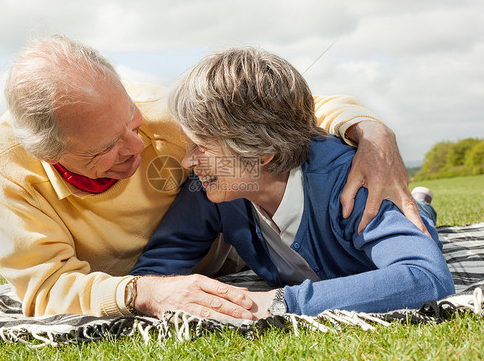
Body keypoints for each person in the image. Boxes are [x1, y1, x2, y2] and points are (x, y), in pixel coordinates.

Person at [0, 34, 427, 319]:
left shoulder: (175, 117)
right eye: (105, 149)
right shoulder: (212, 191)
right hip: (158, 271)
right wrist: (146, 292)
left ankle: (419, 206)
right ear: (50, 154)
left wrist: (373, 133)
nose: (142, 147)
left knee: (407, 217)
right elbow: (54, 286)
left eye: (133, 123)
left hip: (320, 214)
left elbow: (284, 110)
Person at [131, 47, 454, 317]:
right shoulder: (213, 188)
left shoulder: (352, 184)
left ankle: (420, 206)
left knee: (417, 222)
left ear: (261, 152)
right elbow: (160, 264)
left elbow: (425, 277)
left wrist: (276, 303)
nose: (188, 161)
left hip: (375, 208)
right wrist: (157, 292)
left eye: (200, 146)